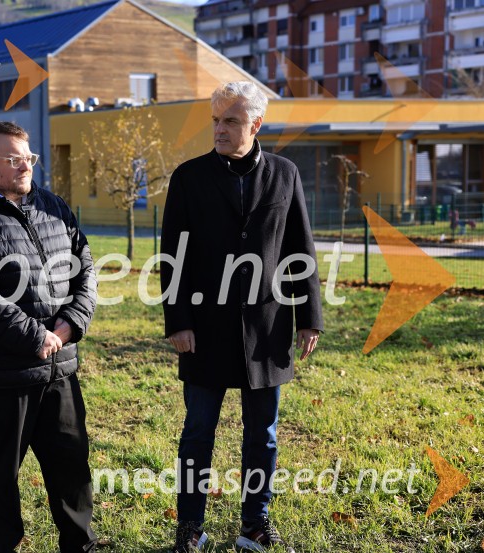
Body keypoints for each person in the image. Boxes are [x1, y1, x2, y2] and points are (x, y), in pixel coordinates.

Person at [161, 82, 323, 553]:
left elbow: (300, 248)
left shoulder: (285, 174)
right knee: (198, 432)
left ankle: (255, 524)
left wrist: (308, 315)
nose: (219, 129)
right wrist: (178, 321)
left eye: (230, 121)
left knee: (264, 436)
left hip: (267, 330)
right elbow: (173, 255)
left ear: (255, 125)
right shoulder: (188, 178)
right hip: (204, 329)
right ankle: (190, 527)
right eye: (215, 120)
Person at [0, 121, 98, 553]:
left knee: (71, 465)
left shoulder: (53, 206)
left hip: (59, 364)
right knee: (1, 475)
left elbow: (86, 267)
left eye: (29, 157)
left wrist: (69, 325)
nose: (26, 165)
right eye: (14, 159)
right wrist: (35, 336)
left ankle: (79, 545)